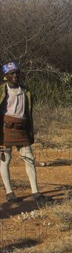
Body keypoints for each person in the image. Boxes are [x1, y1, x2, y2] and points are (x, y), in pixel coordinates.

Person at [1, 61, 46, 203]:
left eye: (17, 73)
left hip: (21, 129)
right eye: (11, 73)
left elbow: (28, 112)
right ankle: (9, 193)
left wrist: (29, 130)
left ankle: (35, 192)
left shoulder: (25, 91)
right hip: (5, 129)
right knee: (5, 160)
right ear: (5, 76)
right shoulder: (2, 90)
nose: (15, 75)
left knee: (29, 159)